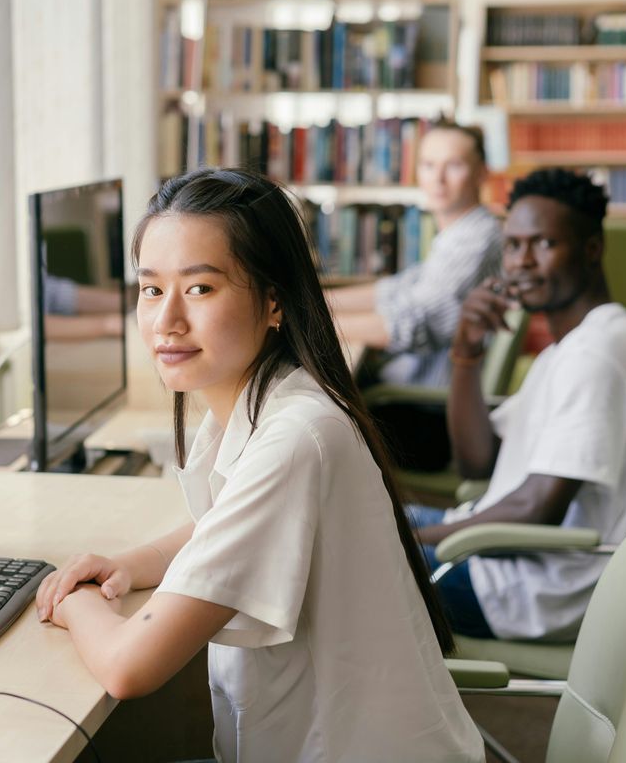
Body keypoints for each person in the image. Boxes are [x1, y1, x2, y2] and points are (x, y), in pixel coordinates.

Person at [35, 168, 483, 762]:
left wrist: (71, 599)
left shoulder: (297, 436)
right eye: (150, 289)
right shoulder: (266, 403)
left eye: (199, 289)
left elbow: (127, 668)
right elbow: (229, 525)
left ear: (274, 302)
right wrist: (128, 565)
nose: (166, 320)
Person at [407, 168, 626, 642]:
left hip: (533, 587)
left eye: (543, 244)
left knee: (339, 558)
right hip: (508, 557)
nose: (520, 263)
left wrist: (410, 543)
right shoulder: (570, 346)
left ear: (592, 250)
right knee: (350, 520)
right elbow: (477, 462)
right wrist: (466, 354)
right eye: (512, 245)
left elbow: (538, 508)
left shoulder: (596, 355)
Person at [326, 118, 502, 388]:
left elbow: (413, 323)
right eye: (428, 165)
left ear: (481, 174)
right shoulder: (458, 233)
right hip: (413, 382)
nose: (438, 179)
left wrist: (306, 325)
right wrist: (314, 301)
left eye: (454, 165)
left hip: (428, 400)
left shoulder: (476, 239)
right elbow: (397, 290)